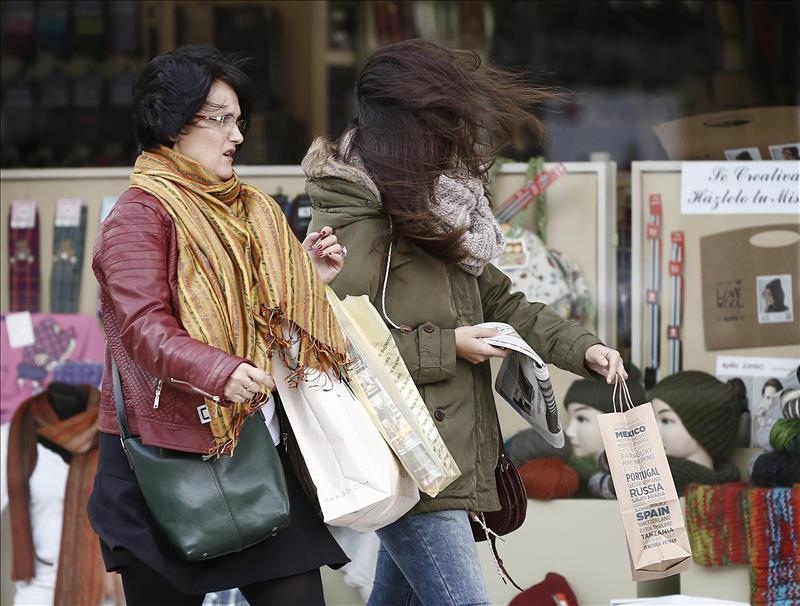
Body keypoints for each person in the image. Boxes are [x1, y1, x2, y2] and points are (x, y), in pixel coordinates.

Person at [304, 39, 627, 605]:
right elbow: (337, 345)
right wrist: (449, 345)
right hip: (409, 453)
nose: (459, 134)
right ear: (407, 124)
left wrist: (584, 349)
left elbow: (501, 299)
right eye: (444, 118)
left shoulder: (440, 201)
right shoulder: (357, 209)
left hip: (446, 449)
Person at [88, 46, 350, 606]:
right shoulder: (138, 215)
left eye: (238, 120)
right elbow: (142, 328)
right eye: (220, 119)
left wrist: (307, 280)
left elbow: (252, 310)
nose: (236, 136)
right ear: (174, 123)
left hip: (250, 449)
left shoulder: (243, 209)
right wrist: (220, 370)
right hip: (163, 457)